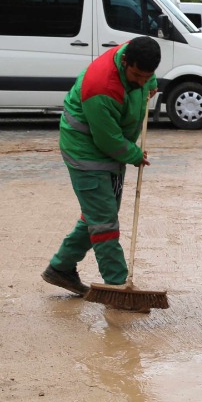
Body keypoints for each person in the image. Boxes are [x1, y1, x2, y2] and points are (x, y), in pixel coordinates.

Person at [42, 37, 160, 296]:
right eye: (137, 75)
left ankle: (60, 268)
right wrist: (134, 154)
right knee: (105, 220)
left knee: (99, 213)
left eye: (147, 76)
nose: (141, 81)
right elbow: (107, 139)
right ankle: (117, 286)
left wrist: (150, 83)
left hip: (111, 150)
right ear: (126, 61)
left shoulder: (136, 56)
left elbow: (146, 78)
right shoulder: (101, 87)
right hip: (86, 152)